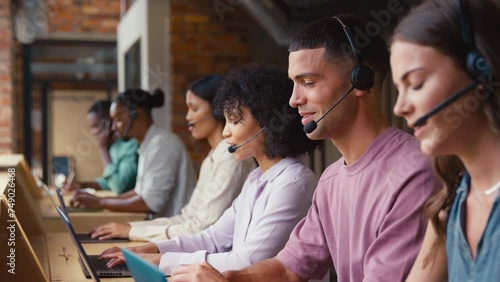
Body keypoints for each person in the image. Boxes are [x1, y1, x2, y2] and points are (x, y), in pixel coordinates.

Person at [170, 15, 439, 282]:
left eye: (308, 83)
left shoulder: (413, 173)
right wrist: (228, 279)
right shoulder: (331, 181)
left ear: (360, 80)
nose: (294, 100)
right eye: (294, 84)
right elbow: (288, 269)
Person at [99, 64, 322, 275]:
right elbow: (214, 238)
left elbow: (247, 262)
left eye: (234, 121)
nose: (225, 133)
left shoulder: (293, 182)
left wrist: (162, 261)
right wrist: (156, 248)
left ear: (267, 122)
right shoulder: (257, 178)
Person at [389, 0, 500, 281]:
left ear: (481, 69)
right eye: (397, 90)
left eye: (415, 84)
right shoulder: (451, 207)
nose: (399, 108)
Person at [88, 75, 256, 241]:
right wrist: (131, 228)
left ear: (217, 109)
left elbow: (201, 227)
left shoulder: (230, 159)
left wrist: (130, 230)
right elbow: (188, 217)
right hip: (183, 236)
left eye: (194, 109)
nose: (188, 117)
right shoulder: (212, 158)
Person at [70, 88, 197, 218]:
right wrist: (96, 200)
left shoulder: (162, 144)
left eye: (118, 119)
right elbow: (139, 192)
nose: (114, 127)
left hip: (172, 229)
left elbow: (150, 202)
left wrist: (101, 202)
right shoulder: (148, 144)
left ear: (137, 114)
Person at [64, 100, 139, 194]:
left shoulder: (130, 145)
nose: (93, 132)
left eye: (95, 126)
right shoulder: (114, 147)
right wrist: (80, 185)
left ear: (108, 123)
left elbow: (119, 186)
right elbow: (109, 182)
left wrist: (102, 149)